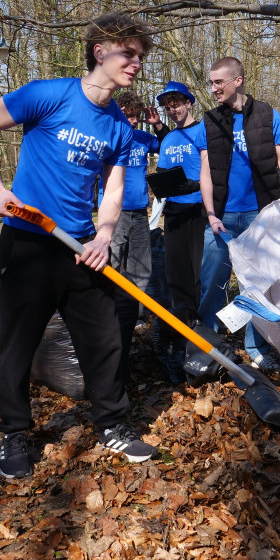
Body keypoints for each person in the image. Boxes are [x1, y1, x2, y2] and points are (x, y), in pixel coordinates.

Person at [0, 11, 158, 479]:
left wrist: (105, 234)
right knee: (18, 341)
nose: (136, 64)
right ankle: (14, 434)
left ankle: (112, 425)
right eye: (128, 54)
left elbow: (113, 188)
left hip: (79, 247)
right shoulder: (48, 94)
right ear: (100, 51)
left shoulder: (118, 126)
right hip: (28, 242)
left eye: (140, 57)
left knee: (106, 337)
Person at [199, 57, 280, 369]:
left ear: (237, 81)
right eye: (211, 83)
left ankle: (257, 347)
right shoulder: (209, 121)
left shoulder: (266, 114)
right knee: (212, 281)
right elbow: (206, 173)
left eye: (218, 82)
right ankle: (208, 344)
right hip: (221, 217)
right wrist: (210, 213)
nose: (213, 89)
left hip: (261, 216)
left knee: (259, 285)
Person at [99, 90, 167, 381]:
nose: (133, 121)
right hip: (113, 214)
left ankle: (135, 321)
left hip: (140, 211)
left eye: (137, 116)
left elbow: (168, 146)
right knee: (110, 266)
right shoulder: (109, 135)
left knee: (141, 269)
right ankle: (107, 319)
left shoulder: (141, 138)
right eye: (129, 115)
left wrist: (158, 126)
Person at [154, 81, 206, 382]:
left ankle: (201, 334)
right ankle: (181, 335)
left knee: (199, 274)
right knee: (175, 278)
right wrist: (161, 182)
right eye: (168, 105)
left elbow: (213, 171)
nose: (173, 109)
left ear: (189, 103)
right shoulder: (168, 138)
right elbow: (163, 173)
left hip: (198, 211)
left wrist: (197, 185)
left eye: (178, 103)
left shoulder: (202, 131)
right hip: (173, 213)